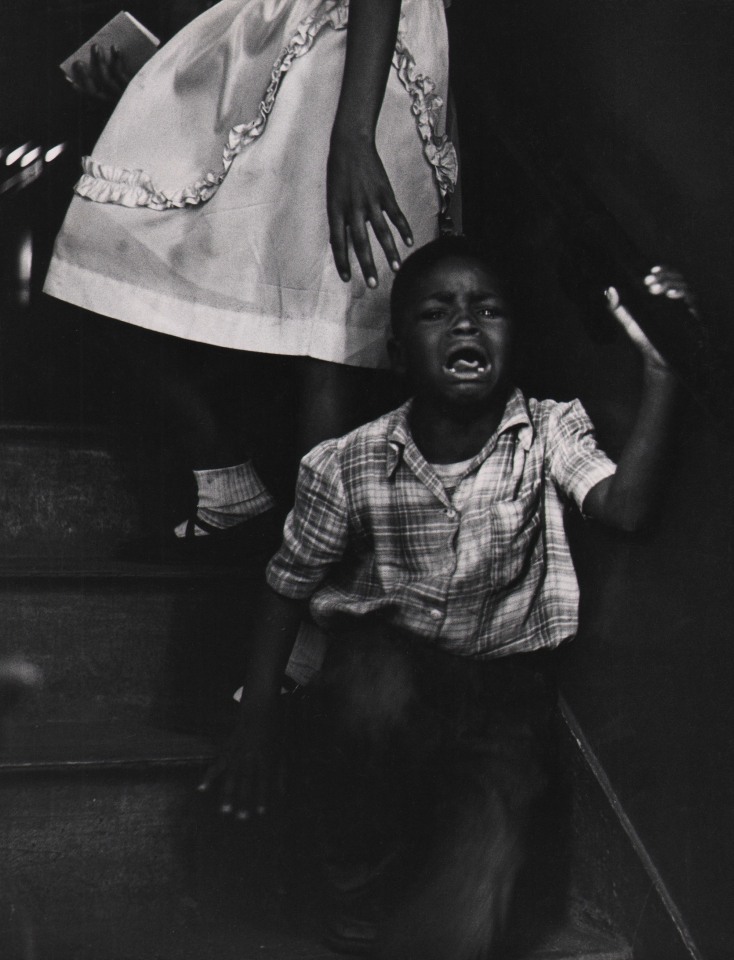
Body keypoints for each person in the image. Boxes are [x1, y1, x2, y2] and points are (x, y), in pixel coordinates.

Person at [198, 235, 686, 957]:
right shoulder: (349, 463)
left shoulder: (548, 430)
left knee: (460, 924)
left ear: (512, 339)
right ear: (398, 350)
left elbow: (626, 506)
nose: (466, 324)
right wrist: (257, 715)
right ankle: (357, 891)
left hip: (504, 700)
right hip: (386, 675)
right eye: (437, 312)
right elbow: (285, 586)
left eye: (488, 310)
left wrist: (663, 372)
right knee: (370, 677)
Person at [44, 0, 457, 561]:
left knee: (331, 322)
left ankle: (313, 581)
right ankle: (227, 481)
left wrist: (356, 135)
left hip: (354, 63)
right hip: (267, 50)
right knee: (99, 248)